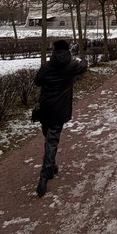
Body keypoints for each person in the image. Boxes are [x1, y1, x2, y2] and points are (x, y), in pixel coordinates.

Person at [34, 39, 88, 198]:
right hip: (59, 109)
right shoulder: (71, 65)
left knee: (49, 137)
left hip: (45, 108)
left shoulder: (47, 65)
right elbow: (83, 67)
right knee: (52, 139)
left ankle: (51, 166)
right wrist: (82, 59)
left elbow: (36, 81)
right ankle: (45, 174)